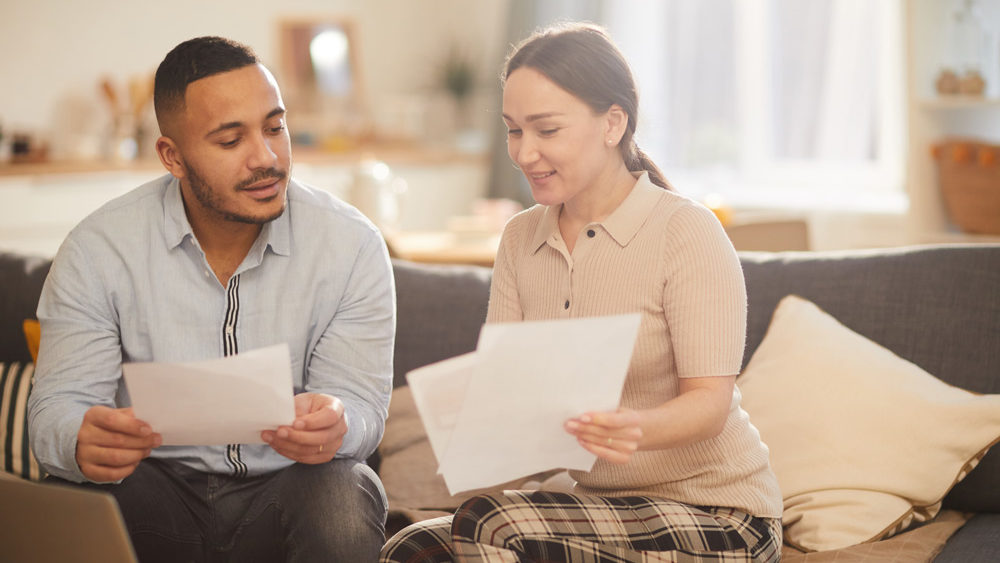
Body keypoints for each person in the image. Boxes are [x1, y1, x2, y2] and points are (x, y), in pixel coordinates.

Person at [380, 22, 782, 562]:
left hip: (721, 515)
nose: (523, 154)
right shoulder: (521, 238)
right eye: (514, 130)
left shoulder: (686, 231)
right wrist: (485, 429)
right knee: (413, 546)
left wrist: (635, 428)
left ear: (613, 123)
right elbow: (511, 392)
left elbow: (709, 404)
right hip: (597, 507)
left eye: (546, 130)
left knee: (489, 525)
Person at [27, 36, 395, 562]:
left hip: (290, 490)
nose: (266, 158)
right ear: (171, 156)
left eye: (275, 127)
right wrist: (79, 438)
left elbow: (359, 406)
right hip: (152, 491)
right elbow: (56, 409)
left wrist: (339, 424)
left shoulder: (352, 245)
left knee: (344, 489)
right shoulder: (98, 248)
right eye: (230, 141)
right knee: (81, 490)